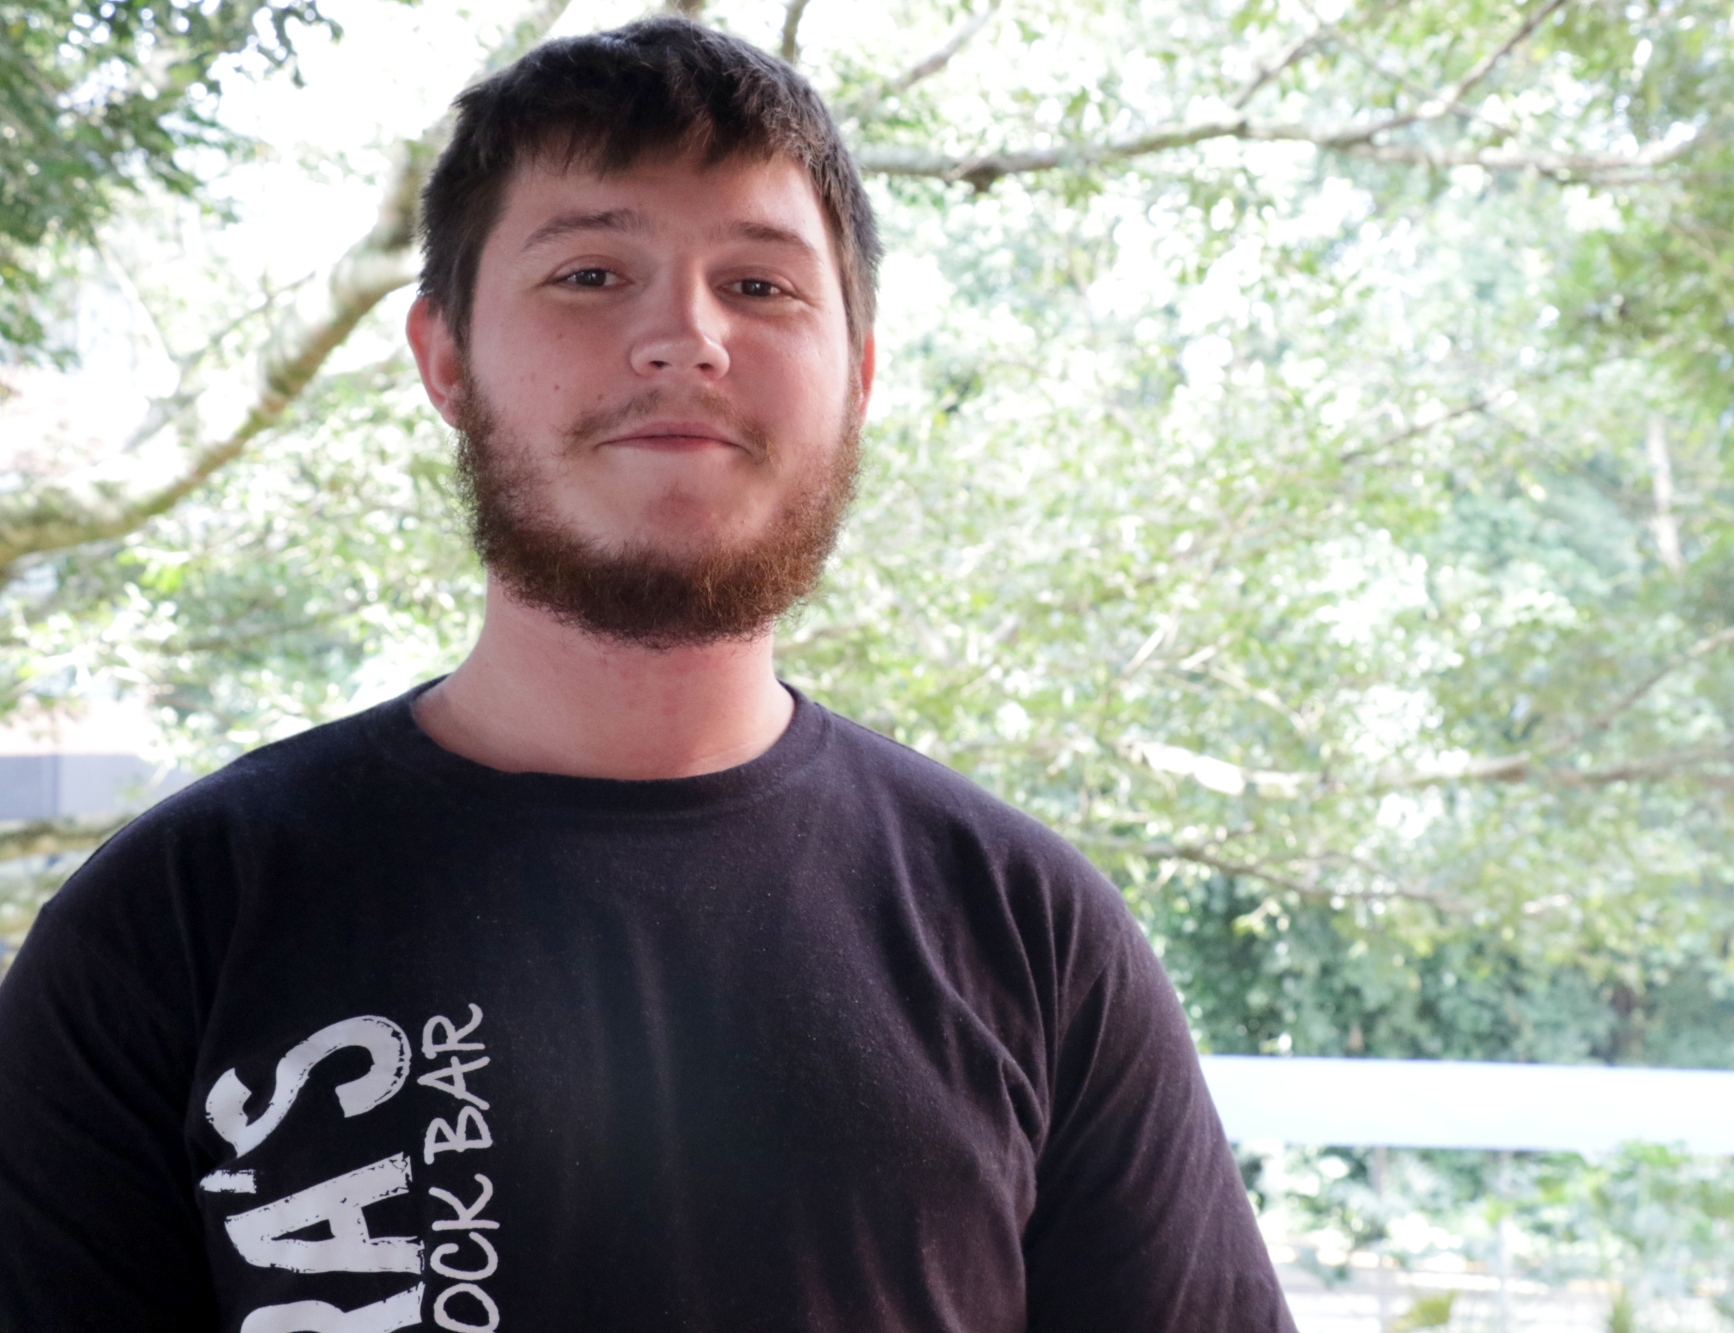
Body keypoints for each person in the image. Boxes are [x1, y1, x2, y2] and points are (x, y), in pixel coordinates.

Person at [0, 18, 1294, 1333]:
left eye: (761, 285)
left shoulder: (1029, 932)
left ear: (857, 376)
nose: (685, 337)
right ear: (446, 359)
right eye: (590, 273)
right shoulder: (171, 928)